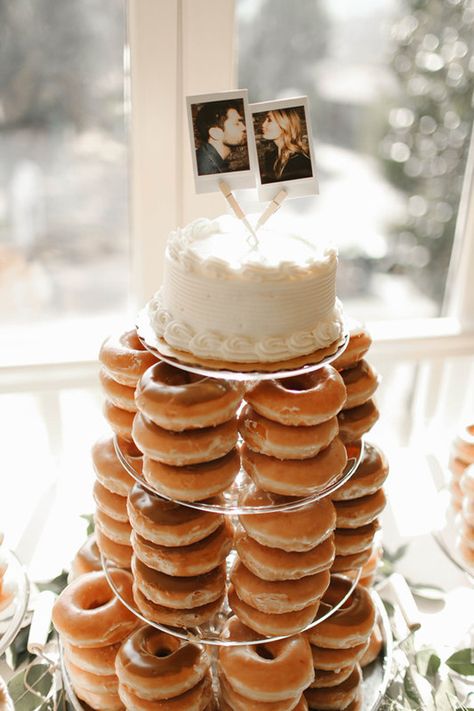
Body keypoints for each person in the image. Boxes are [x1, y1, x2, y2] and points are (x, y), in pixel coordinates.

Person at [260, 108, 312, 183]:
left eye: (269, 120)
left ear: (285, 124)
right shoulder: (269, 156)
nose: (263, 124)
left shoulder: (301, 163)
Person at [195, 101, 247, 175]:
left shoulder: (206, 157)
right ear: (215, 133)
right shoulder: (209, 172)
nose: (244, 128)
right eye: (237, 123)